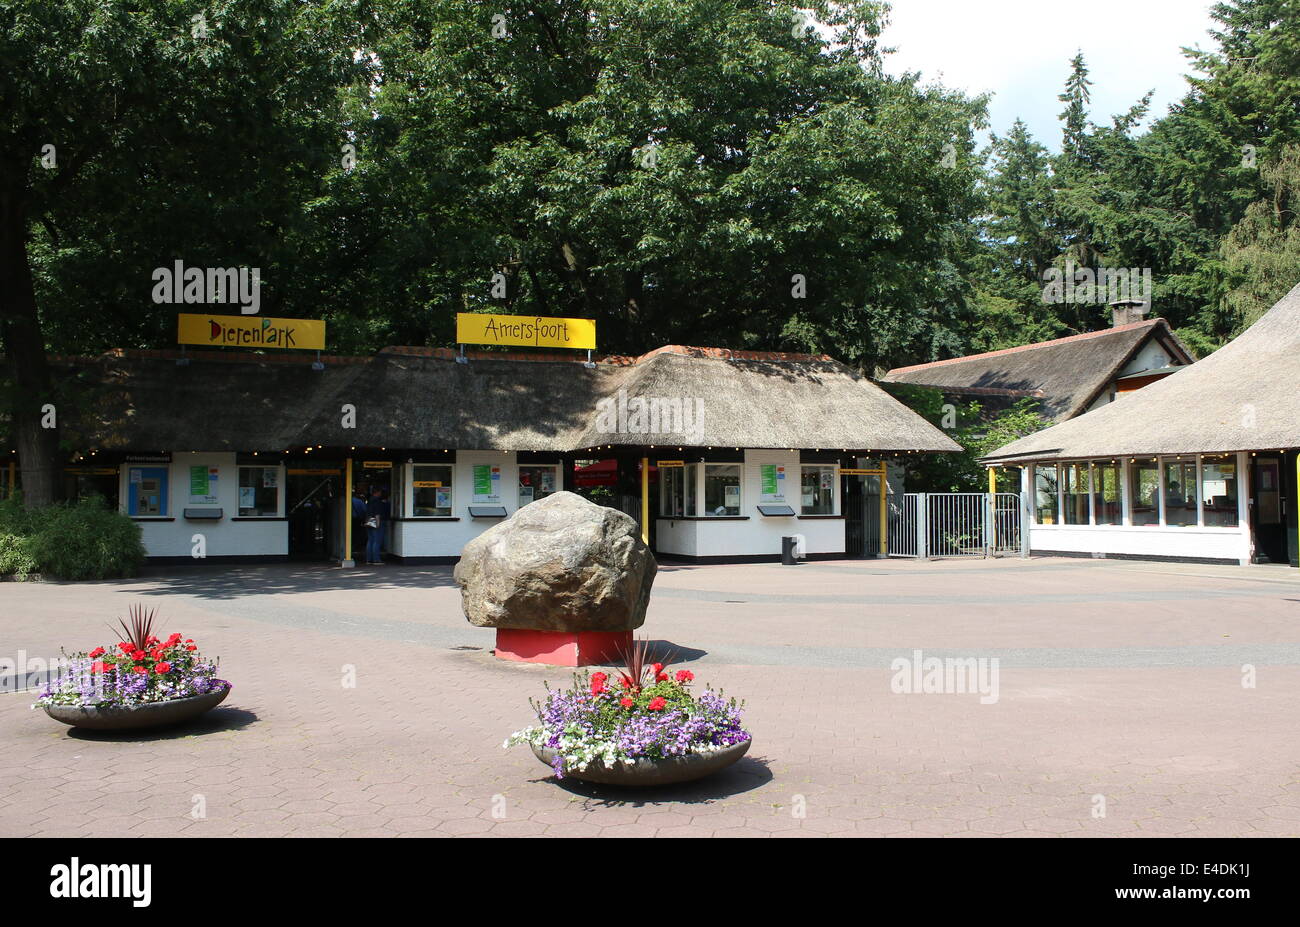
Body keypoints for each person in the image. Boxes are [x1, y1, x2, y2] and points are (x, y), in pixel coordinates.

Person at [364, 487, 389, 565]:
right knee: (377, 541)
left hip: (369, 521)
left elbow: (368, 512)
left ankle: (369, 559)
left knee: (370, 540)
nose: (381, 494)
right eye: (380, 492)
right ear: (377, 492)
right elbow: (377, 513)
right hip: (376, 521)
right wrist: (378, 523)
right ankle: (376, 560)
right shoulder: (377, 501)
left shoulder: (369, 501)